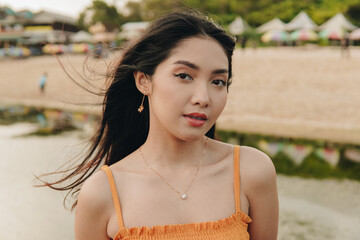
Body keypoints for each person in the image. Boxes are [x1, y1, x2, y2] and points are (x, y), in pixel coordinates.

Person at [42, 10, 278, 240]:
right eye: (184, 76)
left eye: (218, 81)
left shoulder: (251, 171)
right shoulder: (102, 192)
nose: (203, 98)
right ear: (144, 80)